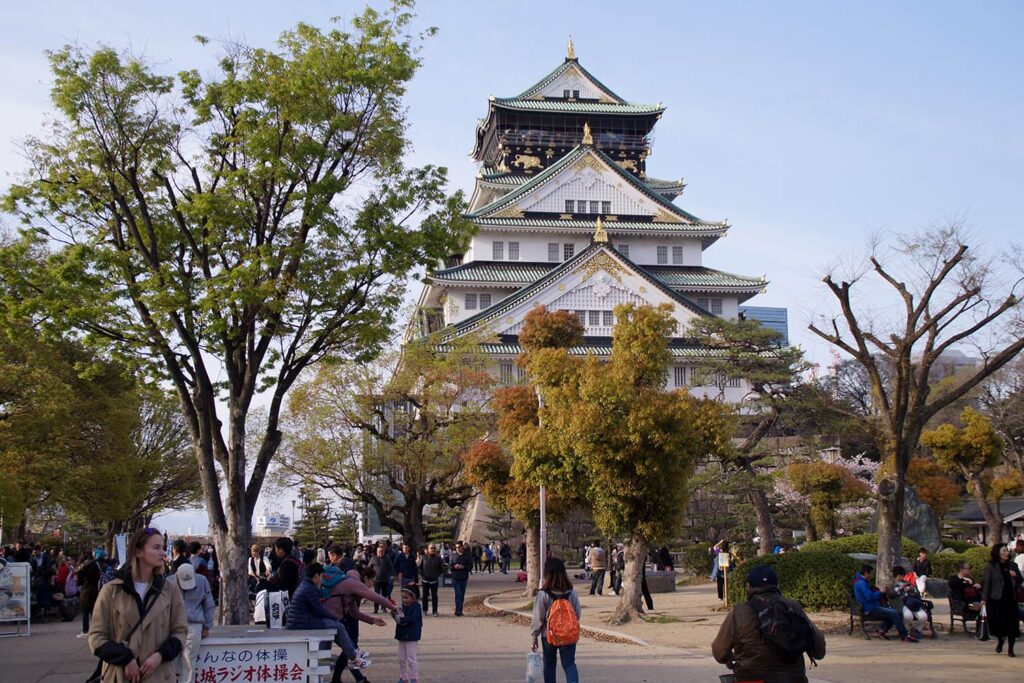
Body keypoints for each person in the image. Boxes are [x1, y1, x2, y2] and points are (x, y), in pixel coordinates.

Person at [88, 527, 187, 683]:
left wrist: (159, 656)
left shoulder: (170, 590)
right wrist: (125, 659)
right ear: (138, 552)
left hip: (160, 674)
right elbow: (96, 637)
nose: (163, 553)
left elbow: (180, 632)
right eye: (156, 547)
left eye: (163, 547)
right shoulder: (112, 590)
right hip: (120, 675)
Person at [712, 565, 826, 683]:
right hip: (792, 678)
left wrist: (732, 661)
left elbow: (719, 652)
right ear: (777, 585)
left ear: (748, 587)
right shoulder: (793, 607)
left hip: (750, 677)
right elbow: (819, 650)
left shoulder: (739, 611)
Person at [286, 563, 370, 674]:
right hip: (302, 622)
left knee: (336, 627)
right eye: (321, 576)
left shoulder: (306, 585)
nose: (322, 580)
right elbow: (319, 609)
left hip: (301, 620)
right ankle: (353, 657)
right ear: (316, 576)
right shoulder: (310, 588)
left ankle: (353, 654)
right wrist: (333, 617)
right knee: (339, 626)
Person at [323, 559, 393, 683]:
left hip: (333, 621)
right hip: (326, 621)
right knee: (342, 650)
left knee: (343, 650)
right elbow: (374, 596)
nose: (371, 584)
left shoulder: (350, 585)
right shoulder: (352, 582)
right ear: (365, 577)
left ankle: (341, 678)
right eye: (371, 581)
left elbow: (354, 612)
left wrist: (372, 620)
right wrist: (393, 607)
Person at [530, 558, 581, 683]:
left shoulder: (543, 594)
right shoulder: (571, 592)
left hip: (548, 635)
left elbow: (538, 618)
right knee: (569, 664)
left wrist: (534, 636)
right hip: (568, 634)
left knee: (550, 664)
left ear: (547, 574)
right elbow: (577, 613)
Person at [168, 563, 214, 683]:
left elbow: (209, 605)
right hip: (172, 625)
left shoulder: (202, 581)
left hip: (194, 624)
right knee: (169, 660)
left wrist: (207, 626)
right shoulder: (168, 582)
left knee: (189, 661)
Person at [852, 565, 915, 642]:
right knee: (895, 613)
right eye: (871, 574)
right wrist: (880, 592)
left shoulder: (861, 582)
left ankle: (882, 630)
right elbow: (869, 597)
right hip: (870, 609)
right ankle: (904, 636)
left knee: (895, 613)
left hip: (871, 607)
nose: (871, 576)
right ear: (866, 573)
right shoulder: (861, 583)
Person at [982, 542, 1021, 656]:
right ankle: (1000, 640)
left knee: (1012, 625)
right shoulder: (991, 566)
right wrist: (984, 599)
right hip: (996, 599)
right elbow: (987, 583)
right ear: (997, 552)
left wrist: (1015, 576)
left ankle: (1011, 649)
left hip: (1011, 600)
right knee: (997, 624)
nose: (1007, 552)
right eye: (1004, 550)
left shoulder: (1013, 565)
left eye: (1007, 550)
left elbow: (1020, 580)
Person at [891, 566, 931, 639]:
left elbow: (917, 593)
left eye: (902, 576)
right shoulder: (892, 585)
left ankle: (916, 630)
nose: (901, 578)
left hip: (912, 603)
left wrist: (912, 590)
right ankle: (904, 631)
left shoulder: (908, 583)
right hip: (902, 604)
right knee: (908, 616)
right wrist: (900, 589)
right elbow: (892, 595)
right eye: (899, 576)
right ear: (895, 576)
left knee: (923, 616)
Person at [395, 588, 423, 683]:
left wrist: (401, 619)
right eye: (402, 598)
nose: (404, 600)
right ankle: (404, 677)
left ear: (413, 598)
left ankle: (414, 677)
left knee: (411, 658)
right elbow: (400, 619)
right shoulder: (403, 606)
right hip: (402, 635)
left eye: (406, 597)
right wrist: (395, 614)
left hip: (411, 636)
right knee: (401, 659)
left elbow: (413, 619)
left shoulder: (416, 607)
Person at [947, 561, 983, 628]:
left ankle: (983, 629)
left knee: (987, 606)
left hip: (974, 602)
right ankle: (981, 630)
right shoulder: (953, 579)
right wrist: (962, 580)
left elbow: (975, 592)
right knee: (979, 607)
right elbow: (952, 585)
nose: (970, 570)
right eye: (968, 568)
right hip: (962, 604)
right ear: (961, 569)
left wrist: (979, 586)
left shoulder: (970, 579)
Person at [76, 550, 101, 639]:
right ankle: (96, 630)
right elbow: (98, 577)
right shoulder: (95, 565)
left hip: (85, 590)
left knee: (85, 612)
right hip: (94, 590)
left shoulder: (81, 566)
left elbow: (79, 582)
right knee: (94, 611)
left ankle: (85, 630)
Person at [418, 543, 443, 617]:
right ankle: (424, 610)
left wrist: (437, 575)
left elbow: (441, 569)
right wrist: (422, 575)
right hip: (425, 580)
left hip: (434, 580)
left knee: (434, 596)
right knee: (425, 596)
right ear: (428, 549)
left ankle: (435, 611)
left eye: (434, 548)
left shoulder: (438, 558)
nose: (433, 549)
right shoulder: (423, 557)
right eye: (431, 548)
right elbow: (419, 567)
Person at [369, 544, 394, 614]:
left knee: (384, 595)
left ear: (384, 552)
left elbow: (391, 567)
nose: (381, 553)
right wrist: (370, 577)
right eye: (379, 552)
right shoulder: (373, 558)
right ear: (377, 552)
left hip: (385, 580)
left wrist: (391, 575)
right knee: (376, 595)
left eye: (382, 552)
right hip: (376, 580)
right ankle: (375, 608)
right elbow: (369, 568)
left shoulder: (387, 558)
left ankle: (384, 608)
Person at [450, 541, 473, 616]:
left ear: (462, 547)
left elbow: (470, 567)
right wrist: (454, 567)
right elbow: (450, 567)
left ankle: (460, 609)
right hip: (455, 578)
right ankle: (457, 611)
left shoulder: (468, 555)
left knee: (462, 595)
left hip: (463, 578)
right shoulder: (453, 555)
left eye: (458, 547)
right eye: (456, 547)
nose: (457, 548)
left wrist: (463, 567)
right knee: (458, 594)